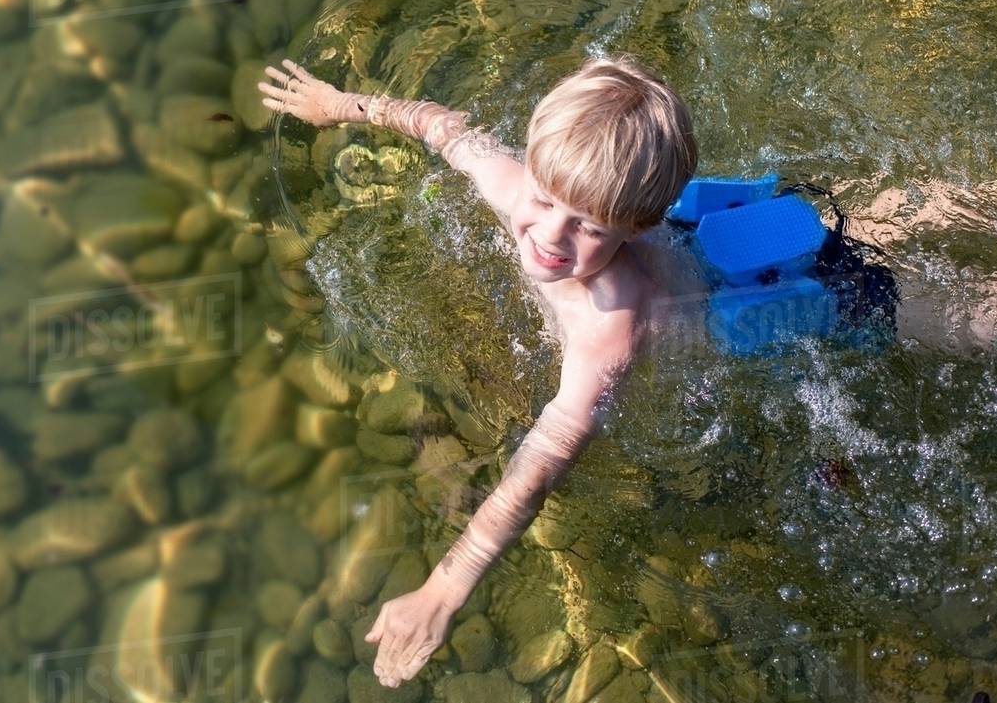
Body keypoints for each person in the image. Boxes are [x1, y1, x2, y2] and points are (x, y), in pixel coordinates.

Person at [260, 53, 711, 687]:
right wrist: (340, 106)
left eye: (586, 226)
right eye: (545, 198)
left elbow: (540, 465)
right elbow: (440, 127)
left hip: (723, 314)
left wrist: (444, 592)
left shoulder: (609, 327)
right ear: (530, 168)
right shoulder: (512, 185)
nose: (549, 235)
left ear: (635, 231)